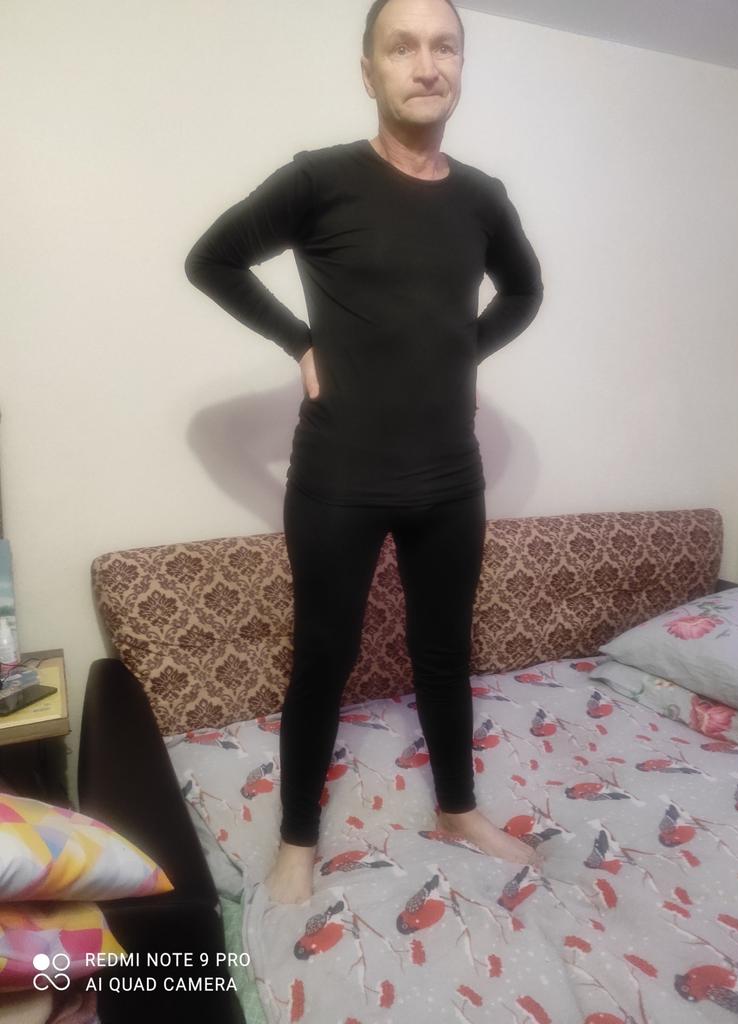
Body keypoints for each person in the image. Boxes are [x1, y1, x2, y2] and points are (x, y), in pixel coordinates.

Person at [184, 0, 544, 905]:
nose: (426, 64)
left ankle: (456, 809)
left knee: (444, 650)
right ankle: (297, 840)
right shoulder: (321, 180)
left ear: (460, 64)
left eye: (444, 46)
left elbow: (524, 292)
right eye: (402, 47)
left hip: (449, 479)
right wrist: (300, 343)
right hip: (338, 477)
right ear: (370, 70)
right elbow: (212, 259)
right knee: (323, 656)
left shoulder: (482, 198)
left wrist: (463, 354)